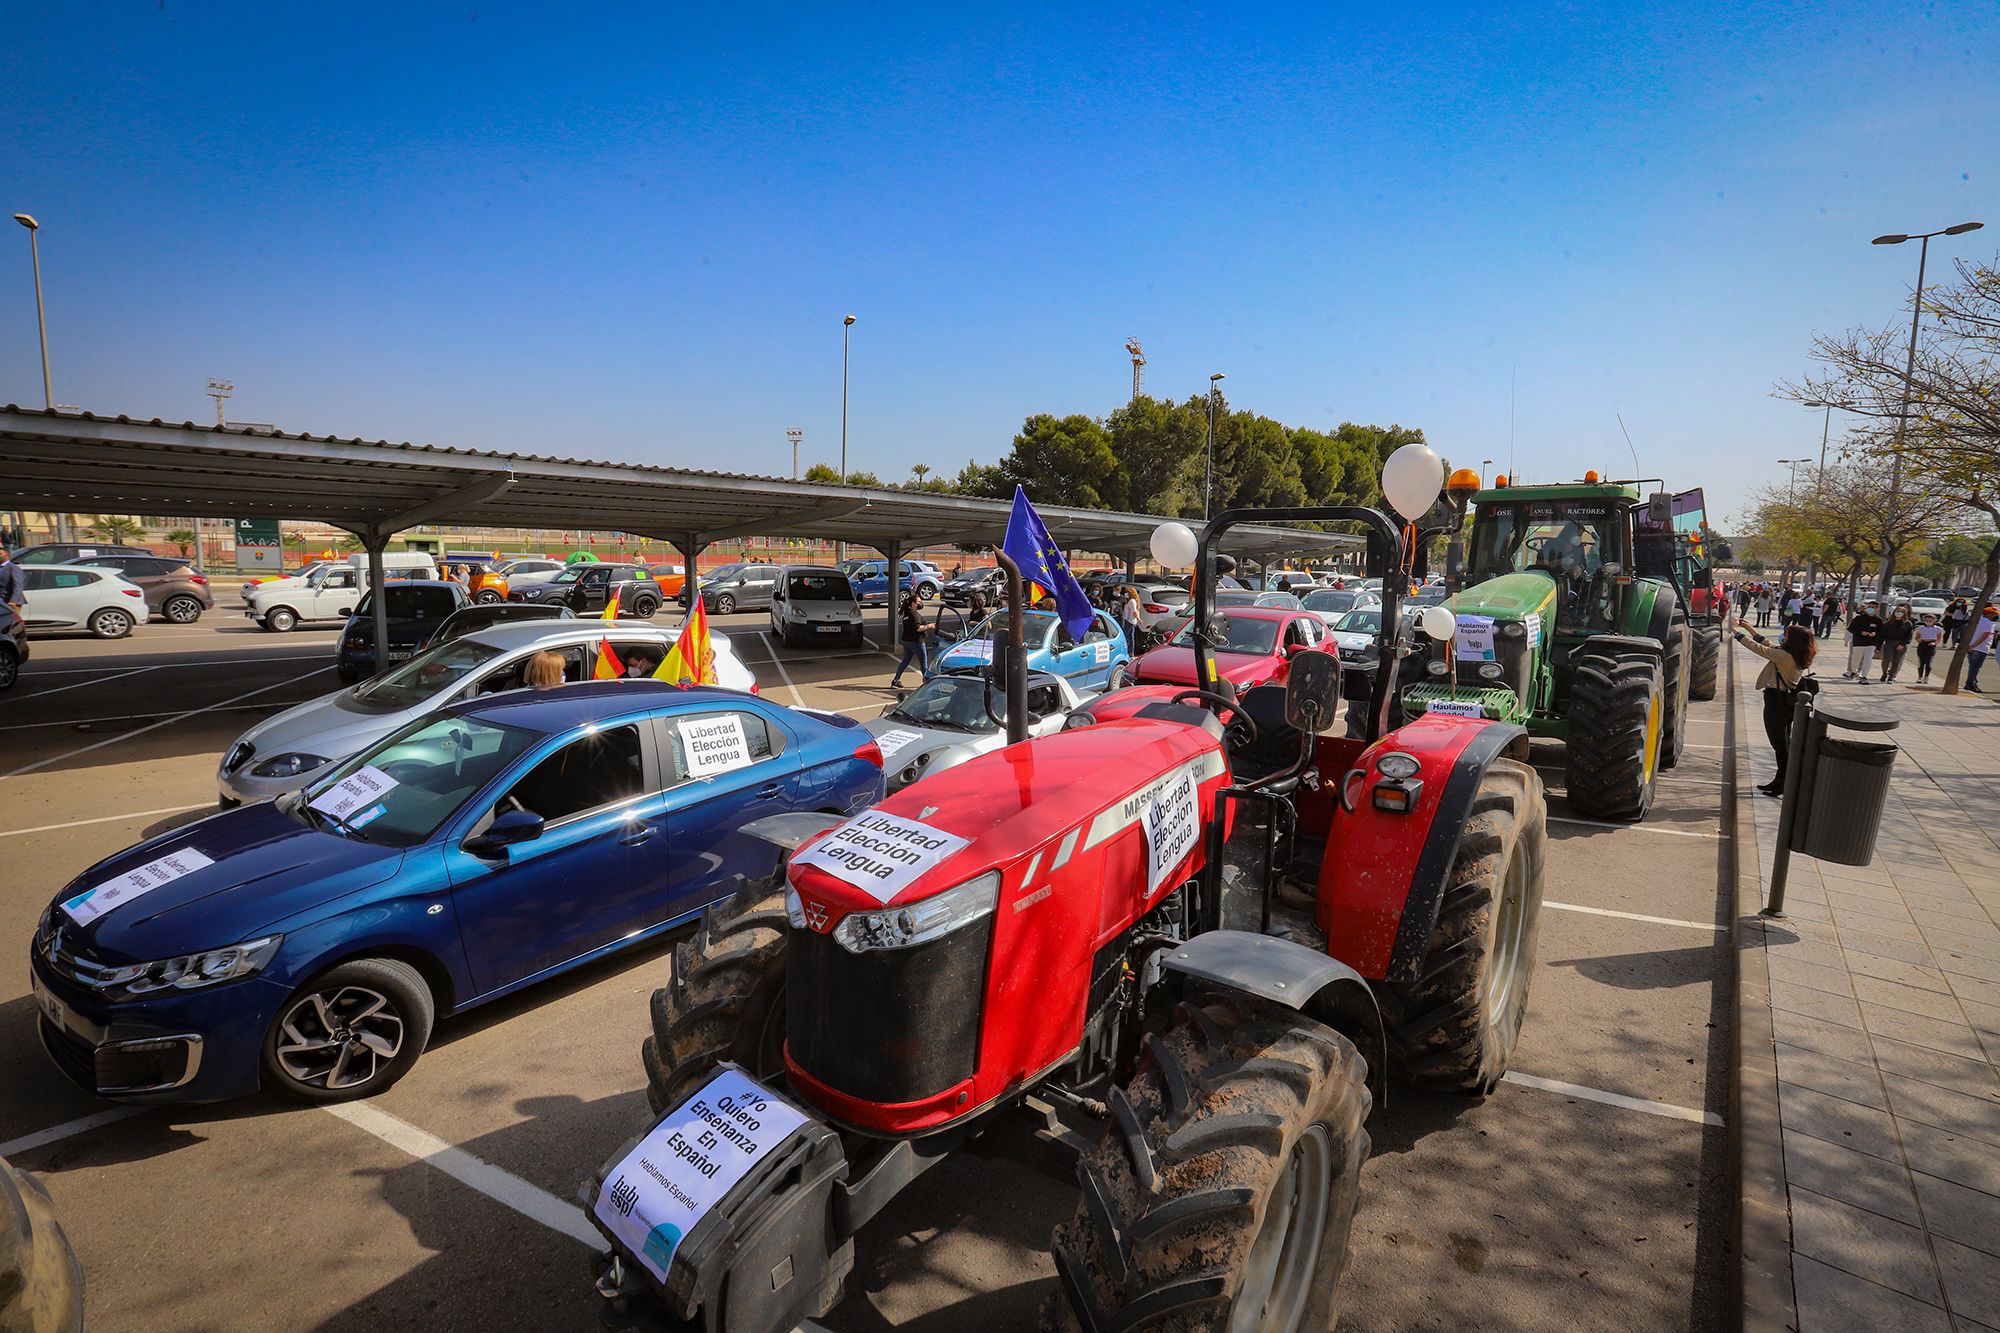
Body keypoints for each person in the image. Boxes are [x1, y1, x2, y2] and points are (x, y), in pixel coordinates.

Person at [1735, 622, 1814, 797]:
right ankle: (1779, 780)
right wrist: (1747, 628)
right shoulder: (1796, 654)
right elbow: (1766, 643)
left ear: (1793, 640)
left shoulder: (1785, 656)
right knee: (1782, 743)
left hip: (1776, 702)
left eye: (1787, 635)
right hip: (1785, 703)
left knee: (1780, 745)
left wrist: (1735, 632)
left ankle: (1784, 783)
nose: (1783, 637)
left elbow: (1758, 648)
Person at [890, 591, 928, 687]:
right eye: (918, 602)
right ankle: (927, 682)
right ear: (913, 604)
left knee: (906, 660)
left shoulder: (906, 614)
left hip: (907, 641)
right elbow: (918, 628)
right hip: (917, 642)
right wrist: (929, 626)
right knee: (923, 662)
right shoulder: (914, 615)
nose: (920, 603)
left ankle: (896, 680)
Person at [1844, 601, 1883, 681]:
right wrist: (1861, 632)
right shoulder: (1859, 618)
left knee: (1868, 660)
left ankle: (1864, 675)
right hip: (1859, 642)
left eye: (1873, 607)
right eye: (1869, 607)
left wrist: (1874, 634)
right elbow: (1851, 628)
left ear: (1877, 609)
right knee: (1856, 659)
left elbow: (1881, 633)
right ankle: (1853, 671)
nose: (1870, 609)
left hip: (1871, 643)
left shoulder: (1879, 620)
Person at [1879, 605, 1914, 682]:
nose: (1899, 613)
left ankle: (1891, 676)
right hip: (1889, 643)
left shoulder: (1908, 623)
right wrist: (1878, 646)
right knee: (1886, 660)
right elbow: (1882, 635)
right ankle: (1884, 674)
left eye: (1901, 612)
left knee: (1896, 661)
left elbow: (1909, 636)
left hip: (1901, 644)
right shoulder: (1888, 622)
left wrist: (1902, 644)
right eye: (1897, 611)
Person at [1967, 606, 1997, 692]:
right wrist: (1974, 645)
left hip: (1971, 646)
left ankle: (1973, 681)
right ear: (1989, 614)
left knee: (1972, 667)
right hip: (1981, 648)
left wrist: (1970, 645)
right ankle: (1970, 684)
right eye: (1994, 614)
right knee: (1975, 667)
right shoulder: (1989, 623)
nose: (1995, 616)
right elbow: (1985, 635)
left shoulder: (1976, 621)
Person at [1914, 612, 1943, 683]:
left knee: (1929, 661)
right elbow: (1917, 637)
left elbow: (1939, 638)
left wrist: (1934, 643)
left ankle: (1926, 677)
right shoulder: (1920, 628)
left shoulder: (1937, 629)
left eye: (1930, 621)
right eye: (1926, 621)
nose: (1928, 622)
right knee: (1921, 661)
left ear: (1934, 621)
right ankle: (1920, 677)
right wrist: (1919, 640)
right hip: (1922, 644)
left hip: (1931, 645)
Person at [0, 543, 23, 618]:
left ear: (7, 555)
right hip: (2, 601)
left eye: (0, 554)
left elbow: (18, 585)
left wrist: (13, 601)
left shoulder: (13, 568)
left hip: (10, 601)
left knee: (12, 622)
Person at [1120, 584, 1143, 654]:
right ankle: (1131, 652)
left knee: (1124, 636)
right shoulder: (1132, 601)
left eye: (1127, 593)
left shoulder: (1131, 601)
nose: (1126, 594)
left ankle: (1127, 651)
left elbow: (1134, 612)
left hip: (1129, 621)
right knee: (1131, 638)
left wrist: (1139, 619)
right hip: (1131, 621)